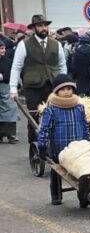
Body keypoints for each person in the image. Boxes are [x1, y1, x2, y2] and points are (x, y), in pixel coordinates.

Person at [9, 14, 67, 143]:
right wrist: (13, 88)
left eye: (45, 25)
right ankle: (34, 146)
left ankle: (54, 144)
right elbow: (16, 67)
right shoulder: (24, 44)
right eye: (40, 26)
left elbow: (62, 66)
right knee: (33, 117)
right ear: (34, 28)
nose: (44, 28)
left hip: (52, 86)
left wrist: (63, 84)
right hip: (32, 87)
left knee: (54, 116)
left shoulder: (56, 44)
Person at [35, 74, 89, 205]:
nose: (66, 92)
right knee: (56, 171)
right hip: (59, 148)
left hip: (78, 147)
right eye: (63, 89)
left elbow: (85, 125)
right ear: (57, 91)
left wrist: (87, 141)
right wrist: (42, 146)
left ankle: (83, 197)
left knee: (80, 173)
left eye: (69, 89)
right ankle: (56, 195)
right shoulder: (51, 109)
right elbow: (44, 129)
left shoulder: (79, 107)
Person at [0, 41, 19, 143]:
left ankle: (11, 135)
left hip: (6, 87)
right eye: (1, 48)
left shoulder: (7, 61)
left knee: (10, 110)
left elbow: (11, 74)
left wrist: (2, 76)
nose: (3, 50)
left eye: (3, 48)